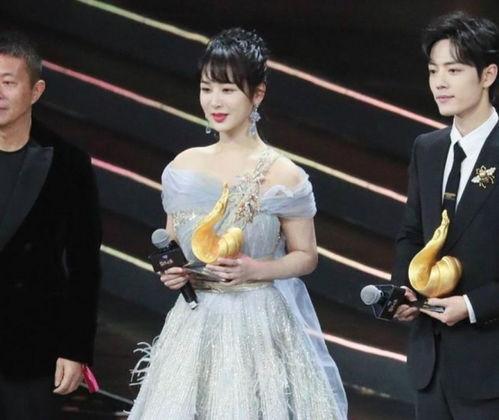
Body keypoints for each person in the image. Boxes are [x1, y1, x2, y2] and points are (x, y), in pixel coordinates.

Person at [129, 28, 347, 419]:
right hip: (195, 323)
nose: (215, 101)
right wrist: (173, 272)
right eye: (207, 88)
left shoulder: (284, 174)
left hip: (259, 324)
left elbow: (306, 256)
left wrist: (255, 269)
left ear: (257, 94)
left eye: (228, 90)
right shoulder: (182, 167)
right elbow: (172, 241)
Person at [392, 11, 499, 419]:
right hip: (430, 365)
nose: (440, 81)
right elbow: (411, 232)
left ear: (488, 74)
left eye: (453, 70)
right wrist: (404, 290)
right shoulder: (427, 148)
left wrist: (470, 305)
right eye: (433, 70)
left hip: (489, 365)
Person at [0, 31, 102, 419]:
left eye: (9, 83)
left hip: (31, 347)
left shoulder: (68, 164)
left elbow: (84, 265)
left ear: (36, 91)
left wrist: (76, 349)